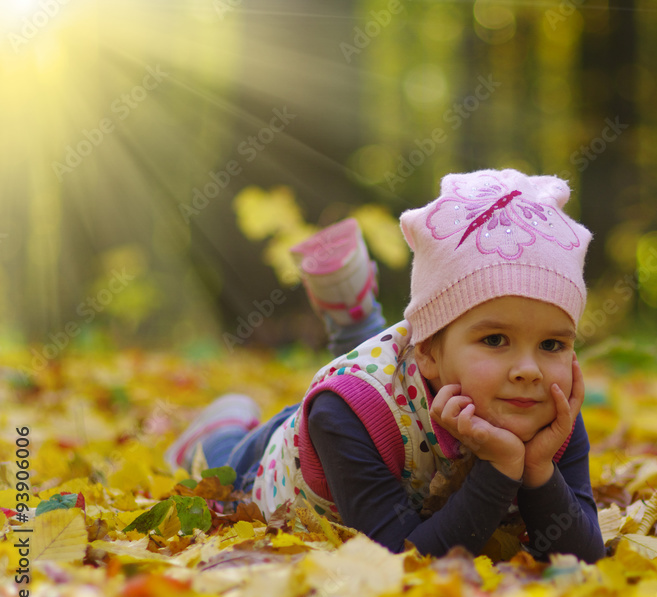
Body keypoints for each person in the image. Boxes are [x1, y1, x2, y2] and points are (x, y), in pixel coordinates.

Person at [165, 169, 606, 563]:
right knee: (227, 463)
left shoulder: (542, 404)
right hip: (284, 459)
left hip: (401, 387)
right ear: (429, 351)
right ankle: (219, 428)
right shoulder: (348, 413)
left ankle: (355, 322)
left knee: (390, 377)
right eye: (495, 340)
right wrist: (498, 469)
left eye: (552, 343)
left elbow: (583, 557)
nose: (529, 369)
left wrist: (537, 469)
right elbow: (402, 561)